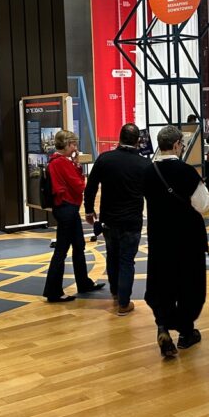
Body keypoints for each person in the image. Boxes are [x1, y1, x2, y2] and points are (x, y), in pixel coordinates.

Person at [143, 125, 209, 358]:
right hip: (187, 239)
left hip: (159, 238)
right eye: (181, 144)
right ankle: (185, 332)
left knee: (162, 282)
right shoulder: (186, 172)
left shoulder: (148, 171)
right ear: (175, 145)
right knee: (188, 284)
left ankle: (162, 326)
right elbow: (203, 205)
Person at [84, 123, 151, 316]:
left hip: (108, 220)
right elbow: (151, 194)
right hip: (132, 221)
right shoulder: (144, 164)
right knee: (127, 260)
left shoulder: (105, 159)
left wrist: (89, 210)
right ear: (138, 140)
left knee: (112, 256)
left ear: (118, 137)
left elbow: (91, 187)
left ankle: (115, 291)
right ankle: (123, 303)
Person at [43, 129, 105, 303]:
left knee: (79, 246)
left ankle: (83, 282)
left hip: (67, 209)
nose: (76, 147)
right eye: (74, 144)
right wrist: (79, 168)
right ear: (68, 145)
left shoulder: (57, 161)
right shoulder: (61, 162)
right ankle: (53, 291)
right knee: (61, 251)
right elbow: (79, 186)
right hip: (66, 209)